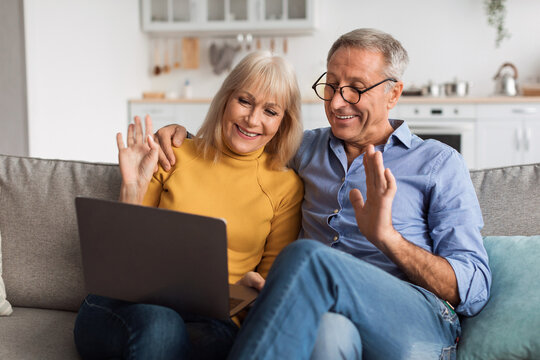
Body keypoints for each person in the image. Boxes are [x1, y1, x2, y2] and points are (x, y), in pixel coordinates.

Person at [155, 28, 492, 359]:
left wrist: (389, 239)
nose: (336, 101)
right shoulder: (301, 150)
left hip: (417, 325)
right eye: (330, 85)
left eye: (356, 89)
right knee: (327, 332)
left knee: (307, 259)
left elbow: (474, 290)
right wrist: (183, 139)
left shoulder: (437, 162)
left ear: (393, 93)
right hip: (325, 312)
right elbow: (242, 139)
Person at [73, 51, 305, 360]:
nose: (252, 119)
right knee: (159, 322)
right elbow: (121, 261)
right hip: (123, 306)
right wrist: (131, 187)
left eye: (270, 111)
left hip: (211, 320)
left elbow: (267, 291)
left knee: (168, 330)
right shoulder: (173, 154)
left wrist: (244, 290)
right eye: (245, 101)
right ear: (226, 99)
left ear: (284, 122)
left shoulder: (285, 187)